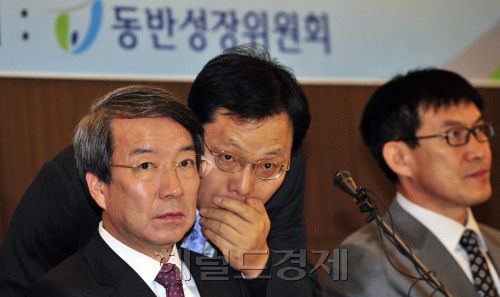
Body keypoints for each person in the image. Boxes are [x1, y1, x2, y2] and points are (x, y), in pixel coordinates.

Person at [0, 44, 320, 296]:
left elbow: (302, 285)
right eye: (226, 158)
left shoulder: (277, 173)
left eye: (267, 164)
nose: (244, 186)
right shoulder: (80, 178)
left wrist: (258, 262)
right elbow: (18, 286)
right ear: (190, 132)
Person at [23, 85, 249, 297]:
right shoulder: (62, 292)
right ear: (99, 188)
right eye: (145, 166)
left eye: (185, 163)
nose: (173, 189)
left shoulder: (226, 279)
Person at [324, 68, 499, 297]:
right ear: (400, 158)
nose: (478, 151)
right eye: (454, 134)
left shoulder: (495, 241)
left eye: (479, 130)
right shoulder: (367, 259)